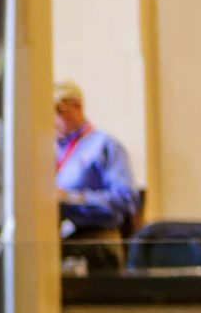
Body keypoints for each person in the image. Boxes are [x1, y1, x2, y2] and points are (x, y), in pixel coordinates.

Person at [53, 80, 139, 238]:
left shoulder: (104, 145)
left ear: (77, 105)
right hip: (61, 238)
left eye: (58, 110)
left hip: (96, 238)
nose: (52, 119)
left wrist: (70, 198)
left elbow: (126, 199)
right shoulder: (53, 149)